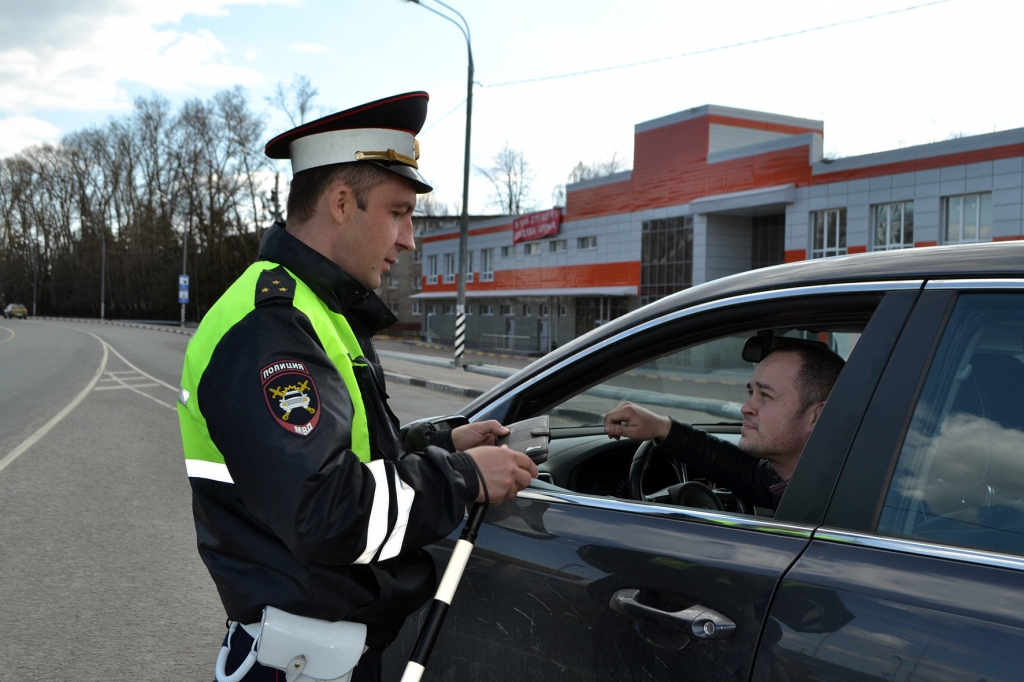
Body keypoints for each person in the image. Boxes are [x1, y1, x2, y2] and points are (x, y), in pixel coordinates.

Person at [177, 92, 537, 682]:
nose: (409, 239)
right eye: (398, 213)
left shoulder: (317, 309)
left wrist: (444, 441)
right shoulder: (271, 325)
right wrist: (466, 479)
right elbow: (327, 511)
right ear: (341, 203)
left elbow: (348, 455)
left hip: (321, 652)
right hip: (302, 663)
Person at [603, 342, 845, 510]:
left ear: (816, 416)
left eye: (766, 396)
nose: (746, 407)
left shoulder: (837, 505)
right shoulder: (804, 479)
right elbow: (744, 472)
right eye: (752, 392)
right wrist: (662, 427)